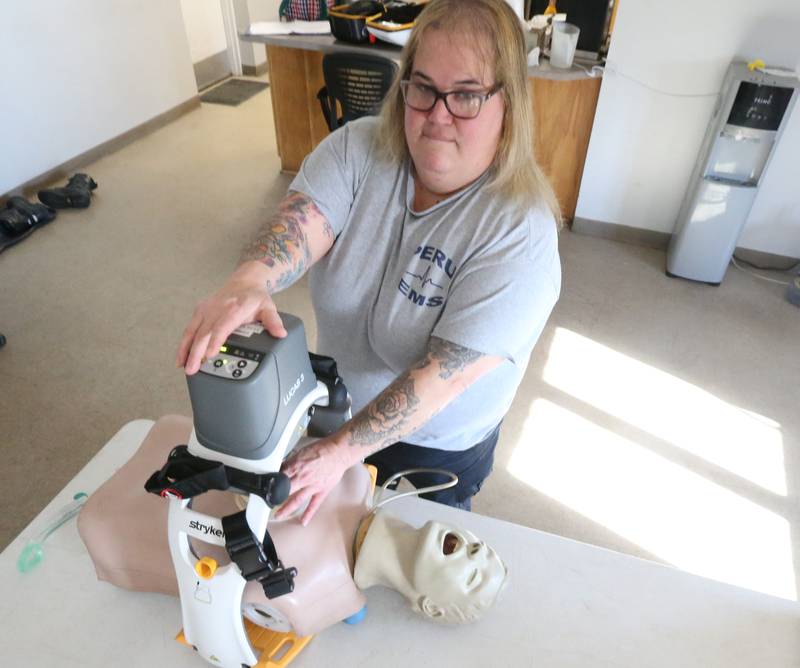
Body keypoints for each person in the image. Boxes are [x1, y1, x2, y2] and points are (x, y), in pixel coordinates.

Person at [176, 0, 561, 524]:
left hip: (434, 447)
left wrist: (338, 452)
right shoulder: (356, 150)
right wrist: (247, 282)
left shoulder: (522, 232)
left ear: (508, 105)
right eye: (422, 87)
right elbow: (299, 226)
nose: (436, 115)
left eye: (466, 95)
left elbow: (438, 381)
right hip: (338, 410)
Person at [78, 415, 509, 635]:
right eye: (480, 548)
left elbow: (232, 595)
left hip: (130, 519)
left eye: (473, 574)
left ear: (428, 606)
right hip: (177, 452)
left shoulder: (312, 600)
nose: (473, 549)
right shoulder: (359, 476)